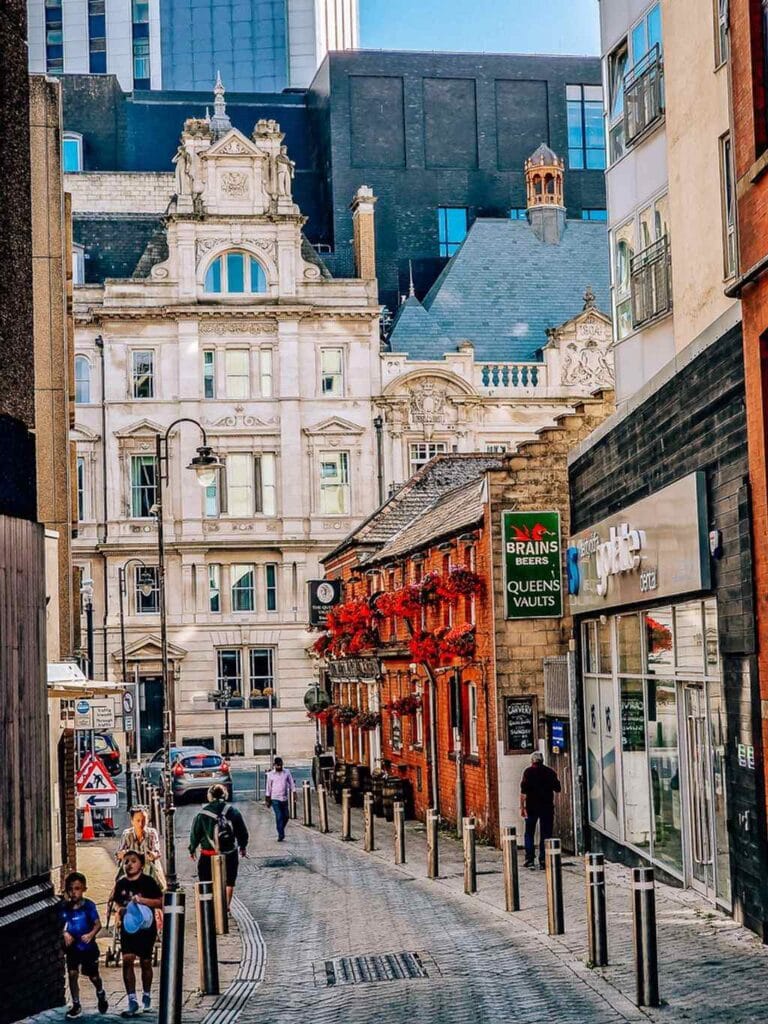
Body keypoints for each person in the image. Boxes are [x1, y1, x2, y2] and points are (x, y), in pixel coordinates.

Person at [110, 850, 163, 1018]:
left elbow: (160, 901)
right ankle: (132, 999)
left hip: (146, 927)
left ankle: (146, 995)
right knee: (127, 959)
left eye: (133, 861)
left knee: (146, 961)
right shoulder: (121, 884)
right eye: (126, 862)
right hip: (128, 926)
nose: (129, 864)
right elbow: (116, 903)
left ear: (141, 865)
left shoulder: (148, 882)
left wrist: (142, 901)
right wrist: (120, 911)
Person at [189, 783, 249, 908]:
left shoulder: (202, 814)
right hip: (229, 853)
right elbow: (242, 832)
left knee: (206, 881)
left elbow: (195, 833)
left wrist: (192, 848)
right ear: (225, 795)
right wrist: (242, 847)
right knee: (229, 881)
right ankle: (225, 907)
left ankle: (209, 908)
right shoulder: (233, 812)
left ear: (209, 796)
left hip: (208, 854)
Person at [59, 872, 109, 1018]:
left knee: (93, 976)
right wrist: (65, 933)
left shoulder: (89, 906)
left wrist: (90, 934)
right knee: (72, 973)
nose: (73, 893)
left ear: (83, 889)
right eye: (70, 889)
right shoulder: (65, 907)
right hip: (73, 948)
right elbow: (61, 924)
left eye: (77, 889)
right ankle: (76, 1004)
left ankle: (100, 992)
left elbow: (97, 924)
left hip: (88, 948)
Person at [520, 751, 561, 869]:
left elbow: (523, 793)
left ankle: (529, 859)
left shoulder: (528, 772)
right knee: (546, 834)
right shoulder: (550, 772)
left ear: (532, 761)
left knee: (529, 833)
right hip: (546, 807)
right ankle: (543, 859)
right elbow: (558, 788)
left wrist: (522, 808)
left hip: (531, 807)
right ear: (542, 761)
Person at [116, 807, 165, 888]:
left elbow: (157, 852)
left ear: (147, 820)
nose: (141, 824)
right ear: (132, 821)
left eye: (144, 820)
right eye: (138, 821)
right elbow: (119, 853)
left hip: (149, 871)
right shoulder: (127, 834)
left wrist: (153, 855)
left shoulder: (152, 833)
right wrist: (122, 854)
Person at [265, 757, 296, 842]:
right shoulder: (270, 774)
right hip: (275, 798)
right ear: (274, 765)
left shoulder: (286, 772)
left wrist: (294, 792)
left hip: (284, 798)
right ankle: (281, 834)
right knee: (279, 816)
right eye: (277, 766)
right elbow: (268, 787)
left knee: (286, 816)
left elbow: (291, 783)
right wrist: (268, 799)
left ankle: (280, 827)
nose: (279, 767)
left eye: (281, 765)